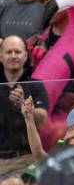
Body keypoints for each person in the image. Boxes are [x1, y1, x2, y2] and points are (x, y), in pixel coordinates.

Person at [0, 35, 48, 173]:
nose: (13, 56)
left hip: (27, 159)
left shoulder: (35, 86)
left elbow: (42, 120)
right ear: (0, 56)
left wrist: (24, 106)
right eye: (9, 52)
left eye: (18, 51)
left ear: (26, 56)